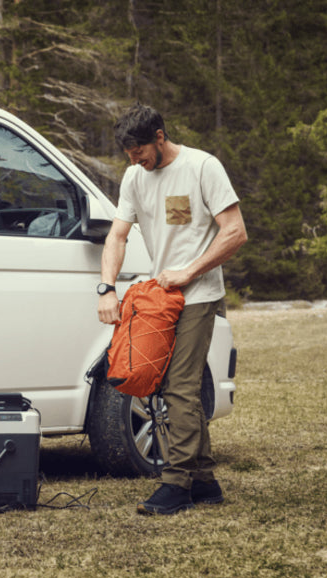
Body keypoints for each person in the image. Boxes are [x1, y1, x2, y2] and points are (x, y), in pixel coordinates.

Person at [97, 104, 247, 515]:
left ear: (159, 137)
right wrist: (106, 289)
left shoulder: (202, 167)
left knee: (180, 387)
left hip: (198, 294)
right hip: (161, 298)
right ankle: (205, 481)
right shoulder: (134, 176)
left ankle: (177, 482)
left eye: (140, 151)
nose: (136, 161)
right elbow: (117, 236)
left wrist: (189, 271)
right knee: (166, 384)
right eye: (129, 154)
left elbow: (235, 232)